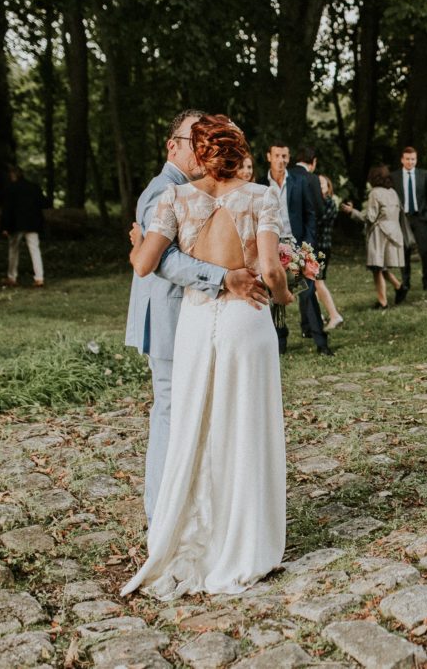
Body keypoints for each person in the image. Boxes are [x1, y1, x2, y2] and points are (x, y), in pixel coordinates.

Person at [122, 114, 291, 599]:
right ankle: (241, 539)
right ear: (240, 152)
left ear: (203, 152)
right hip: (244, 318)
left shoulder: (176, 198)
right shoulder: (261, 195)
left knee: (195, 422)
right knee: (242, 425)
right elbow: (269, 271)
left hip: (197, 325)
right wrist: (282, 294)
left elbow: (143, 264)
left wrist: (138, 244)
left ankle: (186, 531)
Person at [287, 146, 333, 356]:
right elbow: (318, 211)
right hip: (304, 241)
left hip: (279, 241)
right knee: (308, 289)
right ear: (312, 161)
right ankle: (318, 339)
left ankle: (288, 337)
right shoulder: (311, 179)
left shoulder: (284, 175)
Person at [341, 165, 406, 309]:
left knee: (376, 268)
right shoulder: (392, 192)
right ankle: (399, 286)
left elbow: (369, 217)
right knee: (381, 267)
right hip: (393, 231)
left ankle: (382, 302)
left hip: (379, 234)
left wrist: (352, 211)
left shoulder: (375, 193)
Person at [391, 147, 427, 298]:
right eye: (407, 159)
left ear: (416, 160)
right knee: (404, 251)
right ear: (402, 160)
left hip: (420, 217)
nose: (410, 162)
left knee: (424, 251)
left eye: (413, 159)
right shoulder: (394, 176)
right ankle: (406, 282)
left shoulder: (424, 175)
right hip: (402, 218)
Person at [1, 165, 48, 288]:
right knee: (34, 249)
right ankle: (39, 278)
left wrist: (5, 226)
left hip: (15, 224)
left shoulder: (10, 188)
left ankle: (12, 277)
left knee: (13, 250)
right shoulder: (34, 187)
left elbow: (7, 209)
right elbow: (44, 203)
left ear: (13, 175)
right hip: (32, 223)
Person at [316, 174, 344, 330]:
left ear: (328, 187)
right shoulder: (318, 203)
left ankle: (334, 315)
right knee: (312, 284)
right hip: (316, 247)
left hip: (323, 248)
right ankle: (318, 316)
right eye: (317, 184)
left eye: (322, 184)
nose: (320, 187)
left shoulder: (329, 203)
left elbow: (319, 221)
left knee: (318, 282)